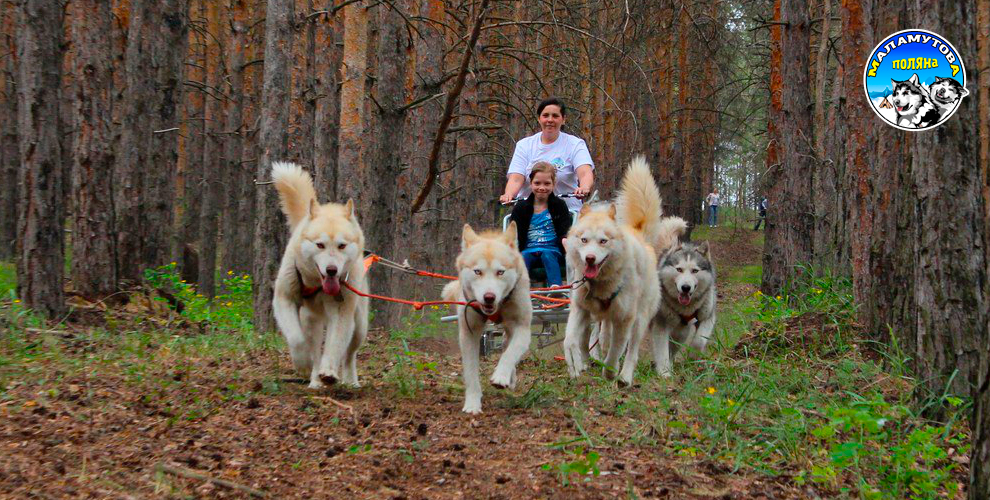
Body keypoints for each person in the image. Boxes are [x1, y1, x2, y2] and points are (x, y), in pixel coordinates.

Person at [499, 97, 594, 211]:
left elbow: (584, 172)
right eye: (545, 115)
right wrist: (509, 194)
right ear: (539, 119)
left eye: (555, 116)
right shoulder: (524, 145)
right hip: (529, 213)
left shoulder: (575, 144)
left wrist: (584, 187)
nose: (550, 120)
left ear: (563, 119)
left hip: (567, 212)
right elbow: (516, 178)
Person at [509, 162, 572, 287]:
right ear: (531, 183)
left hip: (552, 250)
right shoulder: (521, 208)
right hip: (528, 249)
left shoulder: (559, 205)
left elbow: (565, 229)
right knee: (523, 258)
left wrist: (566, 240)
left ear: (554, 184)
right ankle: (519, 289)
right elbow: (514, 233)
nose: (542, 187)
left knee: (548, 256)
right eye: (537, 183)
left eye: (547, 183)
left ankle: (555, 288)